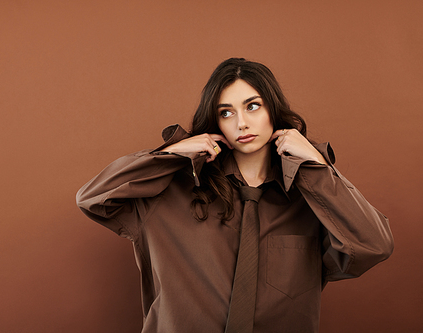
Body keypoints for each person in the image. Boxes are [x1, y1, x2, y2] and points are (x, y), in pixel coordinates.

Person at [76, 58, 394, 333]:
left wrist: (315, 166)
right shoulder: (169, 191)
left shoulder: (310, 200)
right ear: (215, 122)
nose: (241, 123)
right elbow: (95, 198)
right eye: (226, 113)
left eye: (253, 106)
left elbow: (373, 245)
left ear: (273, 111)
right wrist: (172, 153)